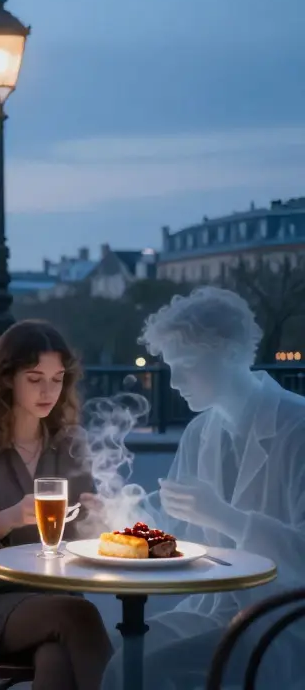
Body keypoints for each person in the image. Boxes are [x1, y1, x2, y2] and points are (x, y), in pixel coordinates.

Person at [100, 286, 305, 688]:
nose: (174, 381)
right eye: (171, 365)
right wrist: (127, 516)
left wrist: (225, 517)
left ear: (230, 353)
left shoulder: (298, 429)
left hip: (284, 617)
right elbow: (178, 523)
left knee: (142, 670)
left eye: (187, 364)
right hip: (214, 608)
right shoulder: (200, 431)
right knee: (106, 652)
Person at [0, 320, 111, 690]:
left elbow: (79, 536)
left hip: (52, 599)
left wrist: (97, 522)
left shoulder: (70, 443)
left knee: (56, 657)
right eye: (35, 379)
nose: (49, 391)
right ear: (7, 378)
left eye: (57, 379)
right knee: (79, 616)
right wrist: (6, 519)